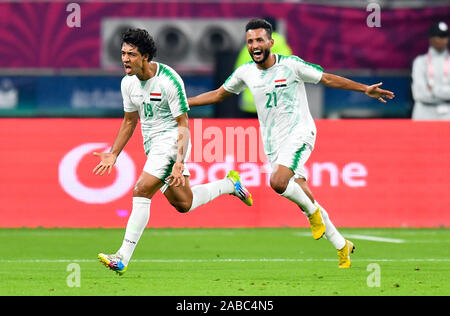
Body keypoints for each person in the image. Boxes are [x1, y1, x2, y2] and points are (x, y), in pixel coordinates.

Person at [188, 18, 395, 268]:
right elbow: (220, 94)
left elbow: (327, 78)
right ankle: (342, 245)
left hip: (300, 132)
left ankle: (314, 216)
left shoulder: (291, 65)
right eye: (250, 41)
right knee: (304, 194)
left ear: (271, 42)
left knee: (277, 181)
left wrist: (365, 89)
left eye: (259, 40)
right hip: (273, 142)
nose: (254, 45)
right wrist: (185, 102)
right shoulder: (245, 72)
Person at [94, 28, 253, 275]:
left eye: (132, 54)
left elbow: (183, 124)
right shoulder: (128, 84)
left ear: (145, 56)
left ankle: (122, 256)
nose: (125, 58)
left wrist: (179, 161)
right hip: (152, 145)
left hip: (170, 143)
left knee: (141, 189)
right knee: (184, 203)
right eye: (123, 53)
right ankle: (230, 185)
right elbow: (129, 121)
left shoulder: (169, 80)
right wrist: (114, 153)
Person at [234, 17, 292, 117]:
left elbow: (238, 72)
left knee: (251, 132)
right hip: (275, 104)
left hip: (251, 104)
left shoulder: (250, 46)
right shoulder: (282, 46)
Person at [411, 21, 450, 120]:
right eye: (440, 36)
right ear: (431, 39)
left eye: (445, 36)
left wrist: (432, 89)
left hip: (447, 116)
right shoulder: (420, 62)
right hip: (424, 115)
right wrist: (445, 92)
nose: (444, 40)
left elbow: (427, 92)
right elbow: (419, 94)